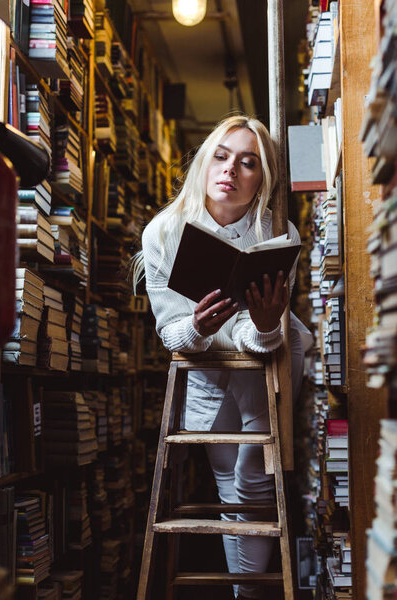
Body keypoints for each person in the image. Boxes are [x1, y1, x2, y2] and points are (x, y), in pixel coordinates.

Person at [132, 114, 312, 600]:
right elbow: (170, 333)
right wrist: (197, 326)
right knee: (230, 490)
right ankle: (246, 592)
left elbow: (263, 343)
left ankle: (248, 593)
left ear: (262, 180)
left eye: (248, 162)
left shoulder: (279, 233)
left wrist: (269, 324)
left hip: (266, 364)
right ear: (205, 163)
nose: (231, 169)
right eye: (222, 155)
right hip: (208, 370)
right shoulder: (164, 233)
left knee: (254, 481)